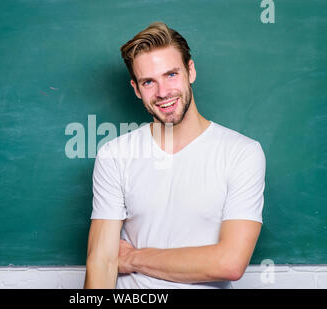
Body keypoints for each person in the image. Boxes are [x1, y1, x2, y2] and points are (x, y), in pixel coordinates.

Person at [83, 22, 266, 289]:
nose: (162, 92)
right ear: (136, 89)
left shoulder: (242, 153)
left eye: (171, 74)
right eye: (149, 82)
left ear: (190, 71)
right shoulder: (115, 155)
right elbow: (101, 262)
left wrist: (133, 258)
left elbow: (229, 263)